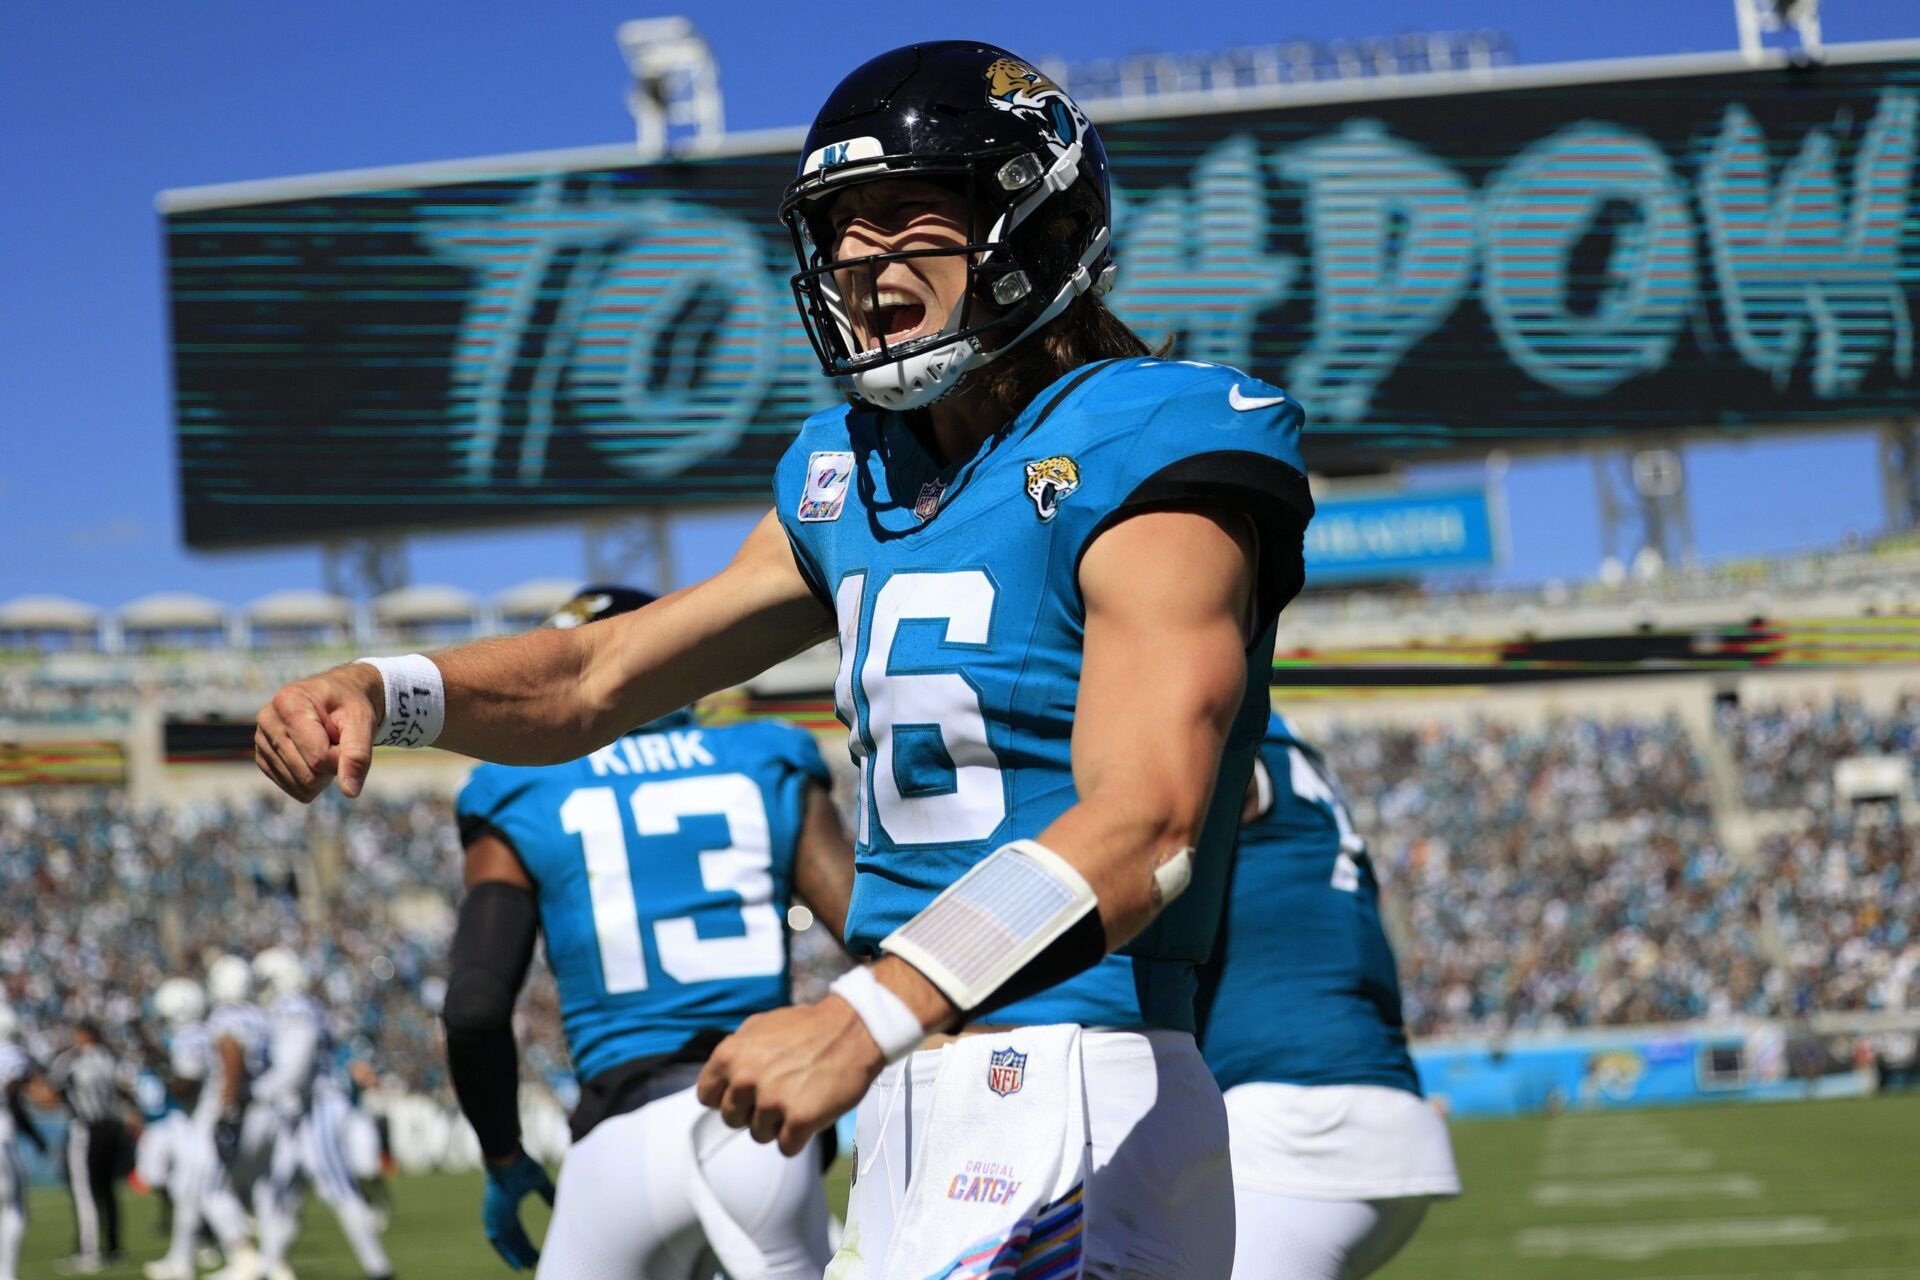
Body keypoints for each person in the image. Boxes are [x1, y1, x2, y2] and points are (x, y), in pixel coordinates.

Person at [254, 40, 1311, 1276]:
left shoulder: (1153, 439)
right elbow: (599, 677)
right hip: (912, 1079)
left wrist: (864, 1011)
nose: (862, 258)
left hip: (1076, 1070)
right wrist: (392, 687)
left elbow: (1148, 819)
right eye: (841, 228)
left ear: (1034, 217)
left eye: (906, 213)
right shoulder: (853, 469)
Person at [443, 585, 854, 1277]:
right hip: (760, 1128)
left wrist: (504, 1156)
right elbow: (878, 939)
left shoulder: (520, 790)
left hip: (621, 1141)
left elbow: (475, 1008)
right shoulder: (767, 757)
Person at [1198, 714, 1460, 1280]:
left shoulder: (1239, 745)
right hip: (1357, 1109)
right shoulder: (1294, 765)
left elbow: (1150, 815)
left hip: (1298, 1125)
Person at [247, 947, 393, 1280]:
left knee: (339, 1189)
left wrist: (254, 1092)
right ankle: (269, 1267)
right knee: (284, 1194)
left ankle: (379, 1270)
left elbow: (294, 1068)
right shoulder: (298, 1007)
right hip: (302, 1112)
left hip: (318, 1107)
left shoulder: (294, 1008)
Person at [145, 978, 256, 1280]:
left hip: (206, 1121)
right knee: (187, 1191)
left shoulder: (190, 1035)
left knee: (209, 1191)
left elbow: (186, 1082)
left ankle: (243, 1254)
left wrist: (163, 1077)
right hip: (205, 1120)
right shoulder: (203, 1031)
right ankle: (181, 1259)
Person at [49, 1019, 135, 1273]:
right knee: (107, 1191)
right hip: (112, 1128)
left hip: (86, 1130)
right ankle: (114, 1248)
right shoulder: (109, 1058)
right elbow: (125, 1089)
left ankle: (90, 1251)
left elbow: (53, 1091)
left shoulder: (72, 1059)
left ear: (83, 1034)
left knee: (85, 1192)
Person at [0, 1005, 49, 1280]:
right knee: (15, 1208)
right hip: (3, 1139)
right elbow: (14, 1098)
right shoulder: (10, 1053)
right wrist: (35, 1136)